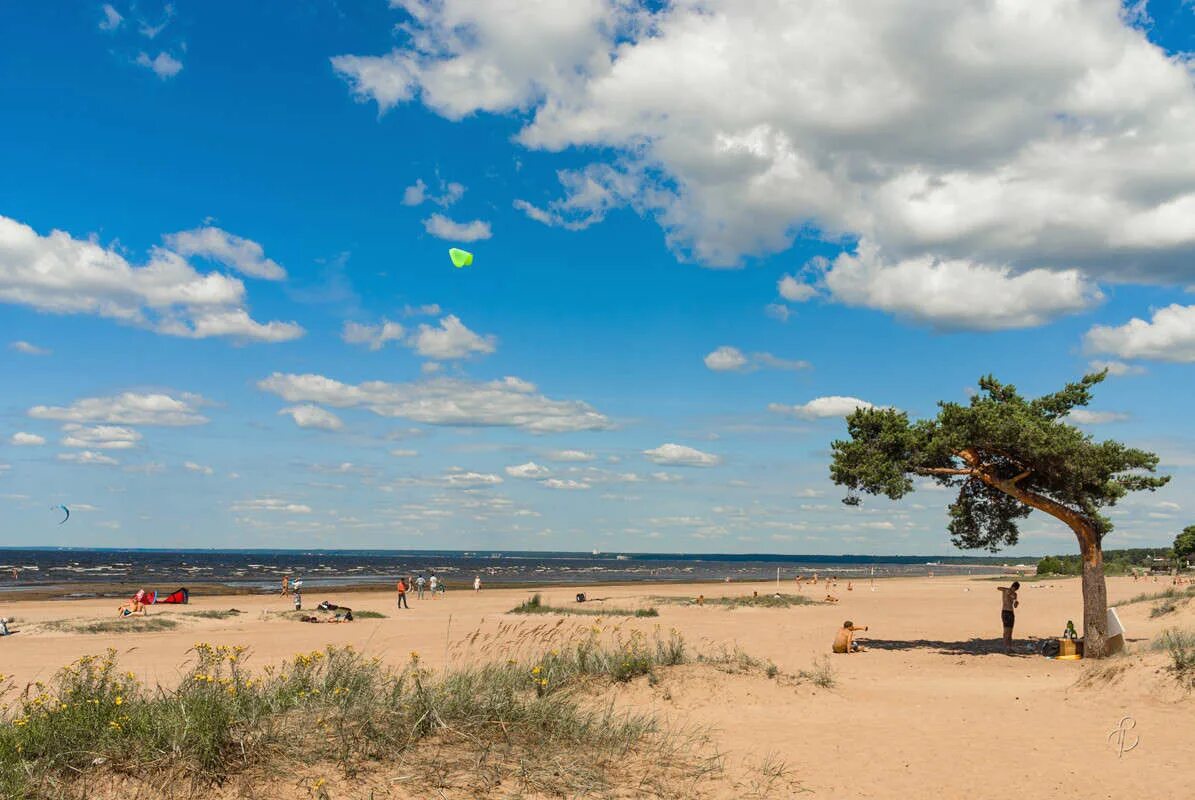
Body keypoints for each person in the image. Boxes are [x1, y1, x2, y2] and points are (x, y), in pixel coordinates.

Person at [998, 581, 1020, 654]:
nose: (1014, 590)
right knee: (1006, 631)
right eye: (1014, 588)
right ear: (1012, 587)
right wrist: (1008, 591)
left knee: (1010, 632)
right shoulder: (1006, 590)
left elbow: (1015, 606)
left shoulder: (1015, 594)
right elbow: (998, 588)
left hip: (1011, 612)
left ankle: (1009, 647)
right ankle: (1005, 648)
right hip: (1005, 612)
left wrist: (1016, 603)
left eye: (1016, 589)